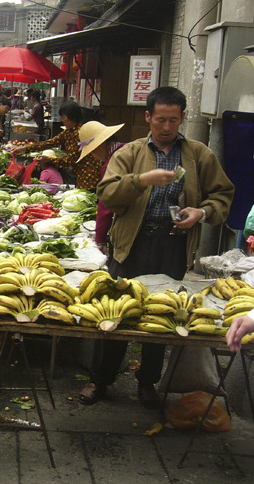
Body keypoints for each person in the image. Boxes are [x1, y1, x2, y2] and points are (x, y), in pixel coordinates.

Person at [78, 87, 235, 408]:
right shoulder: (130, 154)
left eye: (173, 121)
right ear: (148, 117)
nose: (166, 127)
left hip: (173, 246)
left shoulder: (199, 155)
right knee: (115, 313)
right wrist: (143, 180)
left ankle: (147, 381)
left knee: (161, 317)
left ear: (182, 119)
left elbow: (222, 196)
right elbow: (107, 193)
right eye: (160, 119)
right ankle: (100, 379)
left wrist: (201, 213)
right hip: (130, 245)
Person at [12, 100, 103, 191]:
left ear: (72, 117)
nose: (62, 120)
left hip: (89, 176)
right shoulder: (68, 132)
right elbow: (49, 143)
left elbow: (71, 161)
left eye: (64, 117)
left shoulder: (79, 134)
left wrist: (49, 159)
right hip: (80, 174)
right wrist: (23, 149)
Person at [75, 121, 126, 255]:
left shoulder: (112, 163)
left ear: (99, 146)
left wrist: (100, 239)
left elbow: (106, 204)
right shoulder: (127, 149)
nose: (94, 157)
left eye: (92, 152)